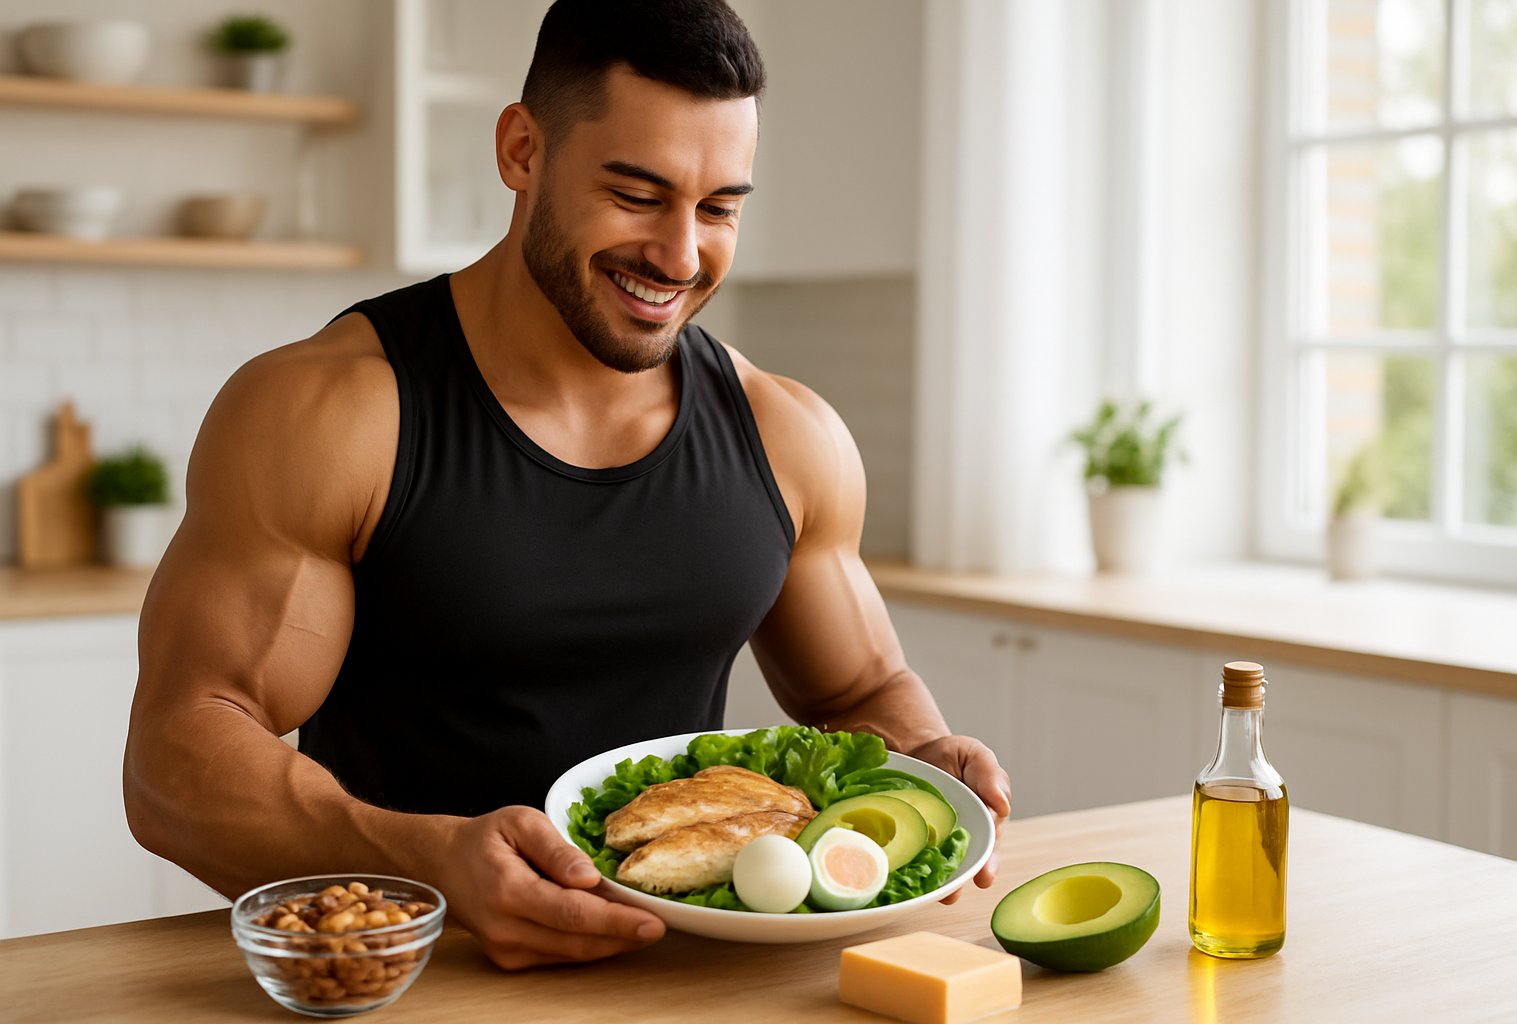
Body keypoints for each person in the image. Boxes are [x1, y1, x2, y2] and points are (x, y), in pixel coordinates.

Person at [124, 0, 1010, 971]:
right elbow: (176, 757)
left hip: (683, 978)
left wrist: (927, 756)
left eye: (718, 208)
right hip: (411, 974)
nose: (680, 256)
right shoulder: (331, 411)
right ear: (520, 150)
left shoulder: (788, 436)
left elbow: (862, 686)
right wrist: (430, 859)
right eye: (636, 194)